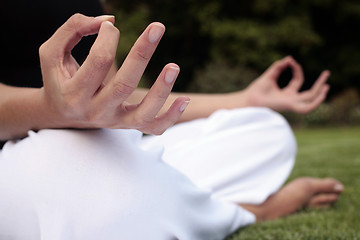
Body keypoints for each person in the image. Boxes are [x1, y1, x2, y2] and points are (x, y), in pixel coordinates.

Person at [0, 1, 343, 239]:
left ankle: (156, 200)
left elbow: (110, 100)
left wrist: (245, 100)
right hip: (20, 153)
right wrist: (50, 108)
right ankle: (246, 211)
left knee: (266, 128)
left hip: (99, 144)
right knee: (86, 182)